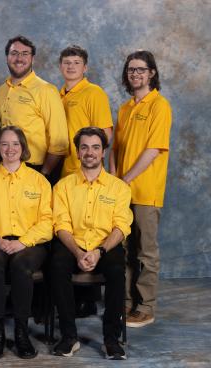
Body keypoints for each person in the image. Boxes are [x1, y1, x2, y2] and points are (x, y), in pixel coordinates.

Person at [49, 127, 133, 360]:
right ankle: (69, 337)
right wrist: (77, 252)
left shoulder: (119, 188)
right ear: (77, 152)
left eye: (96, 147)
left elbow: (121, 226)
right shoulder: (63, 186)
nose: (90, 152)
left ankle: (111, 340)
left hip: (105, 245)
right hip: (72, 244)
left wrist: (100, 251)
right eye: (84, 147)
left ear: (103, 151)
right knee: (56, 266)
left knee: (117, 271)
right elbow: (60, 225)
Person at [0, 126, 53, 360]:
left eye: (15, 144)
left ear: (23, 148)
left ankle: (21, 333)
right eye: (5, 144)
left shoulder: (39, 181)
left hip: (29, 244)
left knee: (21, 267)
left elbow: (48, 222)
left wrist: (24, 242)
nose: (10, 149)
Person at [110, 50, 172, 328]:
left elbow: (153, 150)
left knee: (145, 252)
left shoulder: (159, 105)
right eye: (131, 70)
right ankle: (123, 302)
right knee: (122, 249)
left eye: (140, 69)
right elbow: (116, 149)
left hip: (146, 191)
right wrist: (114, 180)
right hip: (122, 192)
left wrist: (126, 179)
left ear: (152, 73)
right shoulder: (124, 108)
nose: (135, 74)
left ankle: (145, 307)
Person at [58, 45, 114, 318]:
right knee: (71, 229)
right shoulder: (58, 94)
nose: (71, 67)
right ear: (60, 66)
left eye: (76, 62)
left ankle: (89, 298)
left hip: (87, 171)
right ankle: (71, 298)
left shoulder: (94, 93)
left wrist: (95, 163)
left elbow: (104, 133)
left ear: (85, 67)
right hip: (66, 174)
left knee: (92, 227)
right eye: (66, 62)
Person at [0, 35, 68, 183]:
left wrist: (44, 173)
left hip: (35, 168)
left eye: (25, 54)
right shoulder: (1, 90)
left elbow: (60, 142)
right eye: (14, 53)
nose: (19, 58)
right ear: (7, 58)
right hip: (4, 167)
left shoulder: (46, 90)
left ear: (33, 59)